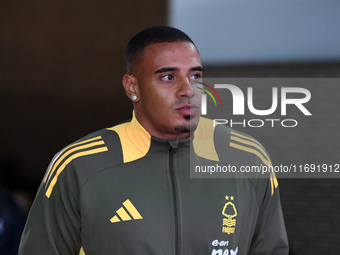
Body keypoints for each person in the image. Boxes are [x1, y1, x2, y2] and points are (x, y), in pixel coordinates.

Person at [19, 26, 289, 254]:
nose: (188, 90)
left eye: (195, 76)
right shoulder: (78, 166)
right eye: (169, 77)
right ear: (132, 88)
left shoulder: (248, 159)